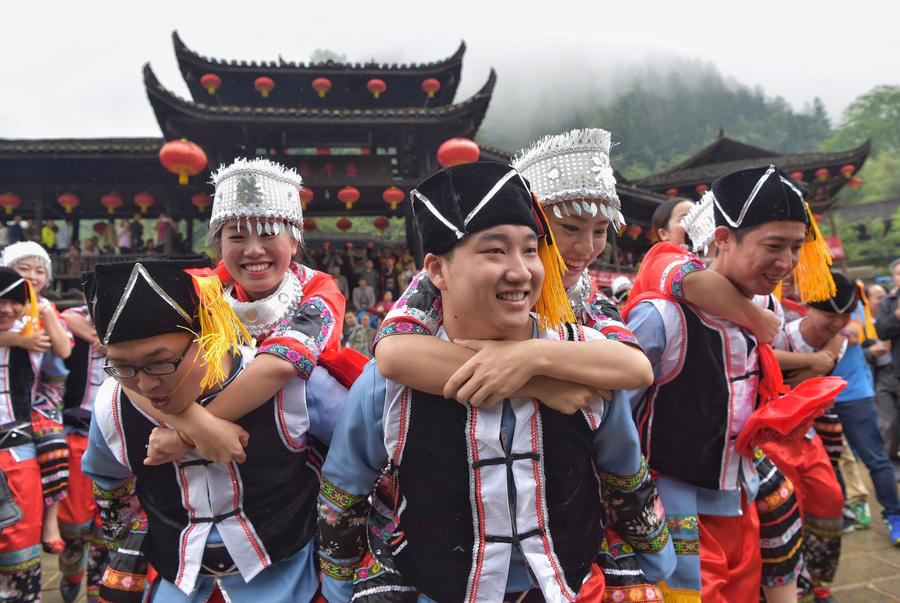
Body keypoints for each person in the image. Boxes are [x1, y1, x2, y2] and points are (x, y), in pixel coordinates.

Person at [318, 161, 674, 602]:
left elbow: (623, 469)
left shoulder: (584, 363)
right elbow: (345, 488)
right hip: (431, 585)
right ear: (437, 270)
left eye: (529, 250)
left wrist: (656, 556)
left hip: (565, 582)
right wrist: (338, 582)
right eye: (494, 251)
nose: (522, 271)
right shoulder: (390, 384)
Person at [82, 257, 349, 602]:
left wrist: (338, 573)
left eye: (160, 363)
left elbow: (356, 470)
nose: (145, 385)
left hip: (293, 583)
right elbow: (107, 484)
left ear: (209, 336)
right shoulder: (112, 406)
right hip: (175, 586)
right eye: (123, 368)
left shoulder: (297, 389)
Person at [623, 165, 830, 602]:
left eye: (795, 247)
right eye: (773, 245)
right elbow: (613, 418)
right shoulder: (664, 318)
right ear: (722, 238)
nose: (786, 262)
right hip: (677, 511)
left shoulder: (764, 307)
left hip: (741, 497)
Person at [136, 158, 359, 468]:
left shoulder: (321, 289)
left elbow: (281, 366)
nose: (254, 250)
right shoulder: (201, 288)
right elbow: (129, 354)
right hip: (216, 441)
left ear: (294, 241)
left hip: (306, 442)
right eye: (237, 237)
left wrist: (186, 435)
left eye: (268, 234)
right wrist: (198, 427)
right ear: (220, 245)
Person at [1, 241, 74, 556]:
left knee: (55, 448)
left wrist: (48, 315)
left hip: (40, 397)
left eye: (40, 270)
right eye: (23, 269)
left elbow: (64, 351)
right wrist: (19, 339)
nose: (32, 276)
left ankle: (51, 520)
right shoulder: (9, 308)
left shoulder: (43, 308)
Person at [56, 302, 109, 602]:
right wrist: (93, 338)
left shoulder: (132, 325)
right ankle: (72, 563)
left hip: (115, 432)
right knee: (75, 517)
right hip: (77, 427)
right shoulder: (76, 319)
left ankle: (97, 588)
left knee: (108, 520)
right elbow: (65, 315)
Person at [0, 268, 45, 600]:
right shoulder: (22, 338)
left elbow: (65, 348)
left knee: (24, 533)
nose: (6, 309)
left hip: (18, 446)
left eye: (15, 301)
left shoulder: (34, 333)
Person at [867, 283, 899, 459]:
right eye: (877, 297)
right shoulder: (862, 322)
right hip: (880, 374)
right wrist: (872, 352)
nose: (881, 301)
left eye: (882, 296)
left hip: (895, 368)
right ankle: (891, 462)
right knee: (888, 423)